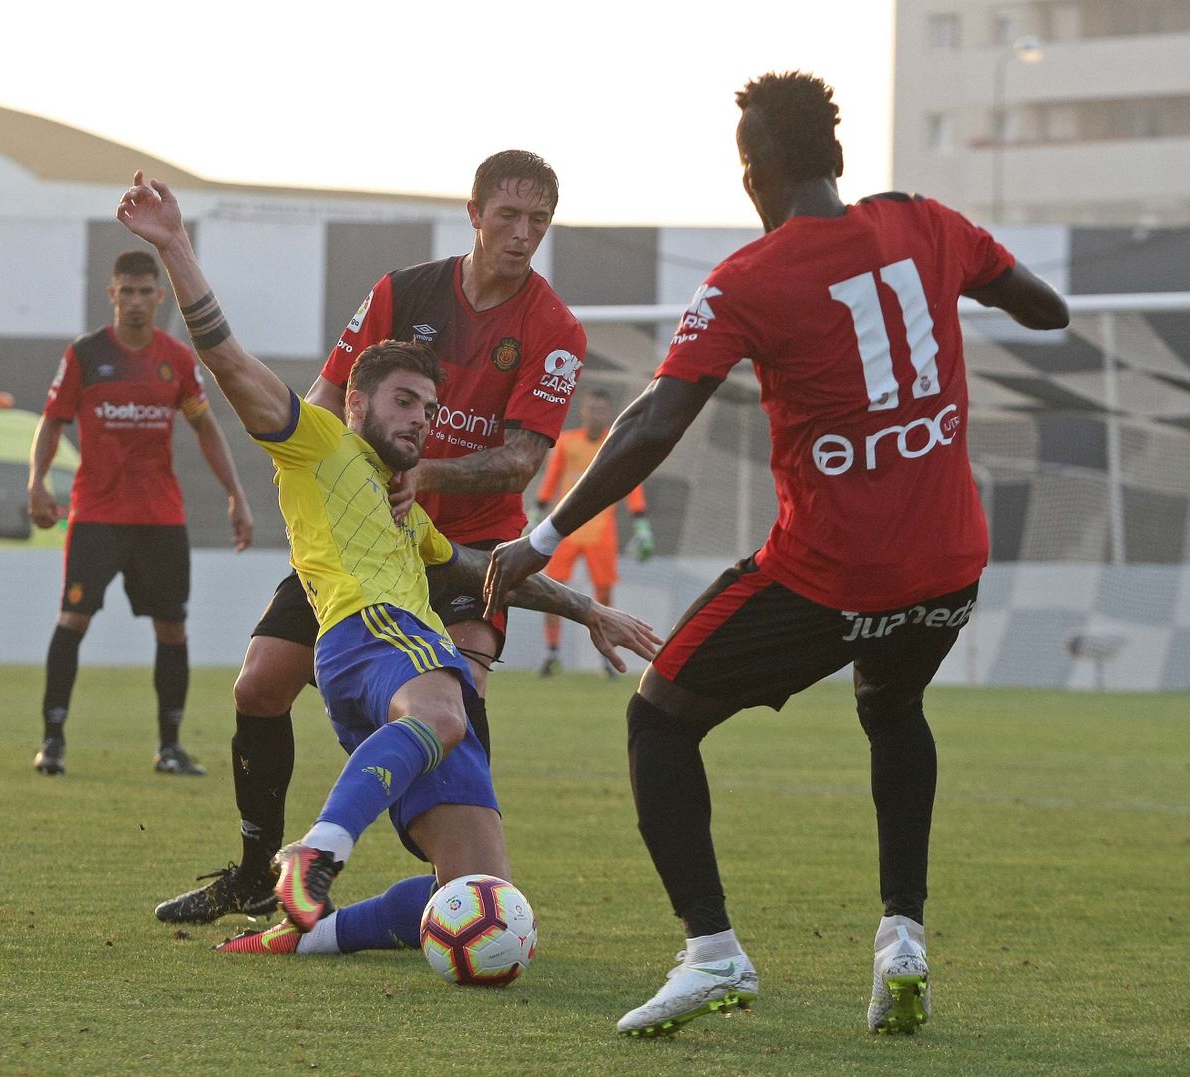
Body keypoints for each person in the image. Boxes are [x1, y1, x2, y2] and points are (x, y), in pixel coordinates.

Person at [485, 71, 1068, 1037]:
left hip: (832, 576)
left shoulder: (749, 279)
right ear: (835, 156)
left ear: (753, 175)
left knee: (660, 714)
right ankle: (903, 939)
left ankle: (713, 952)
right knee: (892, 706)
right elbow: (1041, 308)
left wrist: (542, 531)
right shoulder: (926, 222)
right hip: (951, 566)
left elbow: (655, 420)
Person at [116, 171, 657, 958]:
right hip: (368, 608)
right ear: (473, 214)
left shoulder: (555, 330)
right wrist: (319, 464)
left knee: (475, 892)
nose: (523, 231)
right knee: (273, 682)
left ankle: (305, 934)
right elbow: (244, 364)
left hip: (450, 547)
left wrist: (588, 608)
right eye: (508, 214)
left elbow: (506, 496)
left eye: (539, 219)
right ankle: (275, 863)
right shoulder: (371, 359)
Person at [27, 250, 255, 778]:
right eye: (125, 292)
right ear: (112, 295)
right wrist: (35, 481)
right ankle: (53, 739)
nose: (134, 302)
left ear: (159, 297)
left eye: (144, 292)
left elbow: (205, 427)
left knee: (172, 629)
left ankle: (170, 746)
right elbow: (53, 420)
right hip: (97, 515)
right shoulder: (86, 355)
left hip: (160, 518)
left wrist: (236, 495)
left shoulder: (175, 358)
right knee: (73, 619)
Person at [533, 387, 654, 677]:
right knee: (552, 591)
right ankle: (552, 655)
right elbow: (552, 478)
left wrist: (641, 524)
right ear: (583, 411)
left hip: (602, 530)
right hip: (565, 529)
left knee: (604, 595)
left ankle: (606, 658)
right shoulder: (567, 443)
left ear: (609, 414)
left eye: (602, 410)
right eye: (592, 409)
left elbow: (630, 483)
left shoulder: (615, 443)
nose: (596, 415)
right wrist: (537, 513)